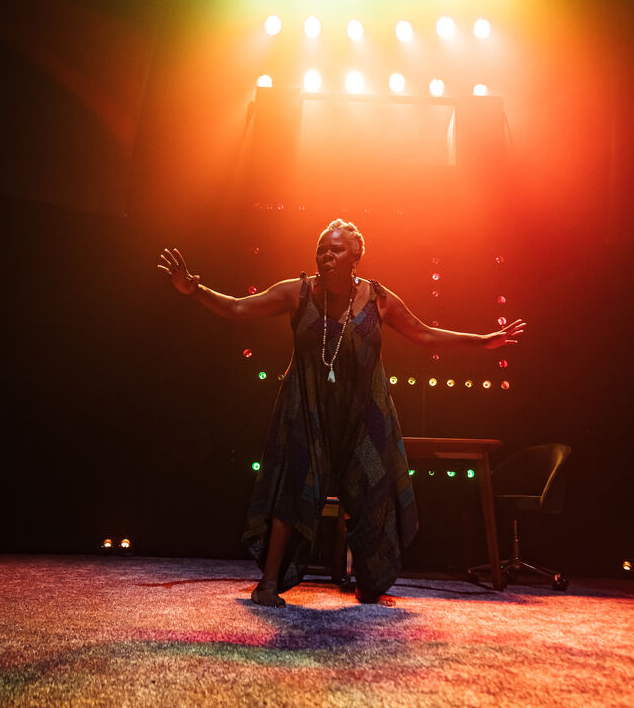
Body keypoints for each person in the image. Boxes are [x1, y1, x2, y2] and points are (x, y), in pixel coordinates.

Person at [158, 220, 526, 608]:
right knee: (291, 487)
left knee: (370, 494)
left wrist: (482, 341)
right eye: (321, 248)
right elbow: (237, 308)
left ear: (355, 257)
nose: (325, 255)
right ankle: (268, 582)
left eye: (335, 250)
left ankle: (370, 581)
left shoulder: (379, 299)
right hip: (306, 407)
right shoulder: (297, 292)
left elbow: (425, 334)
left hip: (363, 413)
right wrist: (193, 289)